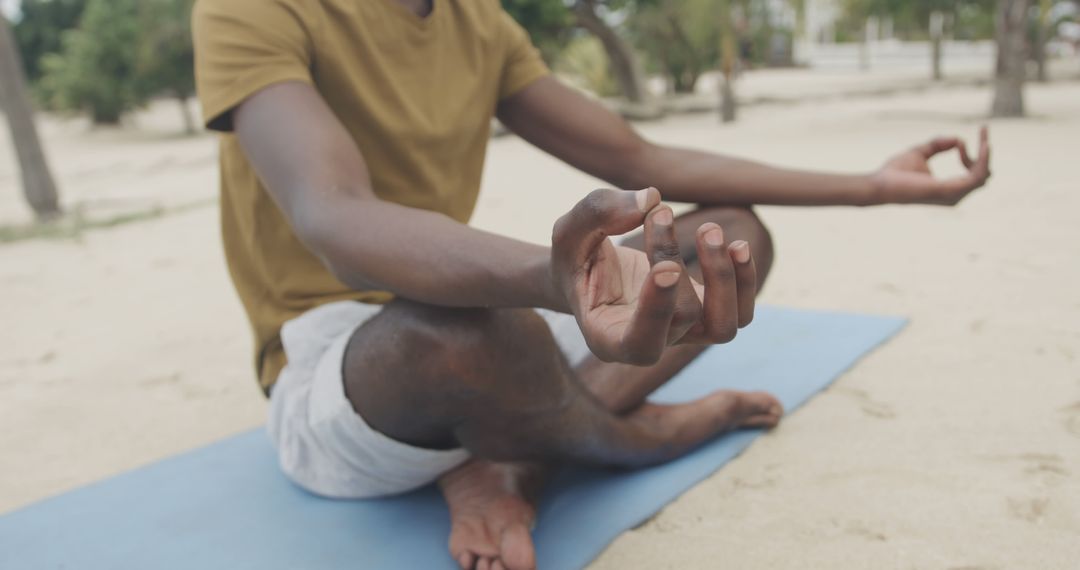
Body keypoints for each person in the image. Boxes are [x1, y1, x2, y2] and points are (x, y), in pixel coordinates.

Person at [191, 1, 991, 568]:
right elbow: (335, 220)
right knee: (467, 329)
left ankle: (514, 463)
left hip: (501, 330)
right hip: (348, 369)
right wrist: (554, 278)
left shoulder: (479, 21)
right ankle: (634, 440)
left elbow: (640, 163)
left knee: (729, 237)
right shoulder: (251, 7)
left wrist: (875, 185)